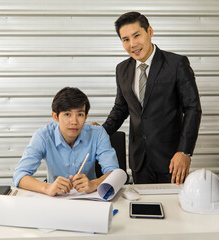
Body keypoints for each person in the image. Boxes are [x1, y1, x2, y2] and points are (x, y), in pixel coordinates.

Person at [100, 12, 201, 184]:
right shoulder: (122, 69)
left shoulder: (176, 64)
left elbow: (193, 109)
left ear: (150, 31)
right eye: (125, 39)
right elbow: (121, 108)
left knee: (173, 208)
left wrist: (184, 152)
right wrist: (99, 133)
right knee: (143, 208)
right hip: (139, 161)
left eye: (136, 36)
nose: (132, 44)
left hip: (172, 160)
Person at [13, 87, 119, 196]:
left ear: (86, 116)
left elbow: (115, 174)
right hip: (56, 198)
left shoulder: (98, 133)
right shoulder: (43, 136)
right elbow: (20, 175)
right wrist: (47, 188)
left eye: (80, 114)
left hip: (88, 197)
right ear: (55, 116)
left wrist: (94, 184)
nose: (74, 122)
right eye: (67, 114)